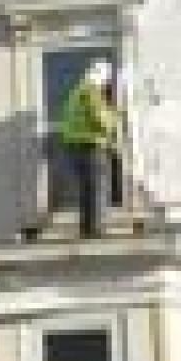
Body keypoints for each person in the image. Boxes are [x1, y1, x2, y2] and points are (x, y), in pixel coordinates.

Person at [57, 59, 118, 238]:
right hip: (90, 145)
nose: (107, 85)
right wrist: (115, 120)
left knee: (87, 189)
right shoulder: (92, 91)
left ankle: (87, 228)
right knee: (98, 187)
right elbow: (100, 119)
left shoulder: (78, 91)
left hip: (74, 145)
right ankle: (96, 229)